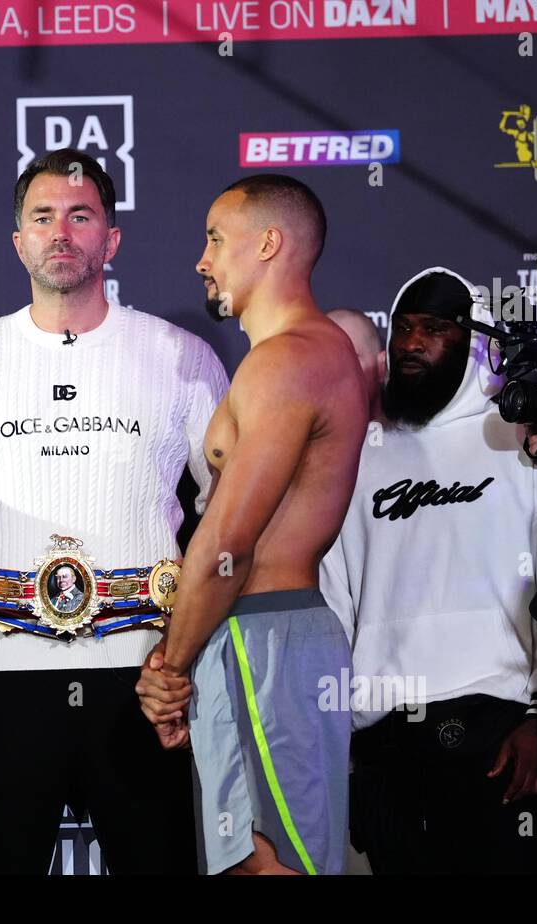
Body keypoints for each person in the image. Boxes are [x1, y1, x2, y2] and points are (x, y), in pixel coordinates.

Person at [0, 149, 228, 874]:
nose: (61, 232)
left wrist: (186, 643)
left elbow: (227, 516)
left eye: (81, 216)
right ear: (17, 239)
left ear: (111, 239)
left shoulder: (183, 357)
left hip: (143, 673)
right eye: (43, 216)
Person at [136, 174, 368, 875]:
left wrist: (168, 668)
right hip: (256, 636)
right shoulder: (294, 356)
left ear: (269, 242)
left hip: (265, 637)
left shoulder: (289, 359)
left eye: (214, 238)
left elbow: (226, 546)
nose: (202, 260)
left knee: (266, 867)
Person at [319, 268, 537, 874]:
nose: (411, 344)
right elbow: (334, 605)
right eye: (403, 329)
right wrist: (338, 740)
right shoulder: (359, 456)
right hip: (386, 741)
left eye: (434, 330)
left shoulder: (527, 446)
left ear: (476, 339)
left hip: (502, 730)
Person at [328, 308, 385, 422]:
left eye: (349, 358)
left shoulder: (412, 438)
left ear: (382, 367)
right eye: (323, 361)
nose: (333, 372)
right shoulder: (294, 437)